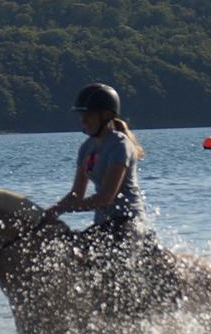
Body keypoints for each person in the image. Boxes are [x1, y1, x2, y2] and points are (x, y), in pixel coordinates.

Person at [41, 82, 148, 247]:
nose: (83, 120)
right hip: (103, 224)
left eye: (88, 115)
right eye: (81, 115)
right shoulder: (86, 148)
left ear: (105, 115)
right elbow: (76, 194)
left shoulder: (120, 146)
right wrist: (53, 211)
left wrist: (71, 207)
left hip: (127, 223)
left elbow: (106, 197)